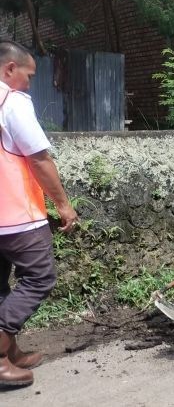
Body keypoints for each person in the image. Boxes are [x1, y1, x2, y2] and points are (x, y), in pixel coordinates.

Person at [0, 40, 78, 387]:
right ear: (9, 69)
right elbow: (38, 157)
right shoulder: (12, 102)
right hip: (15, 213)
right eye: (28, 75)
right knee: (40, 277)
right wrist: (62, 204)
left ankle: (10, 353)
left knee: (0, 284)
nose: (30, 84)